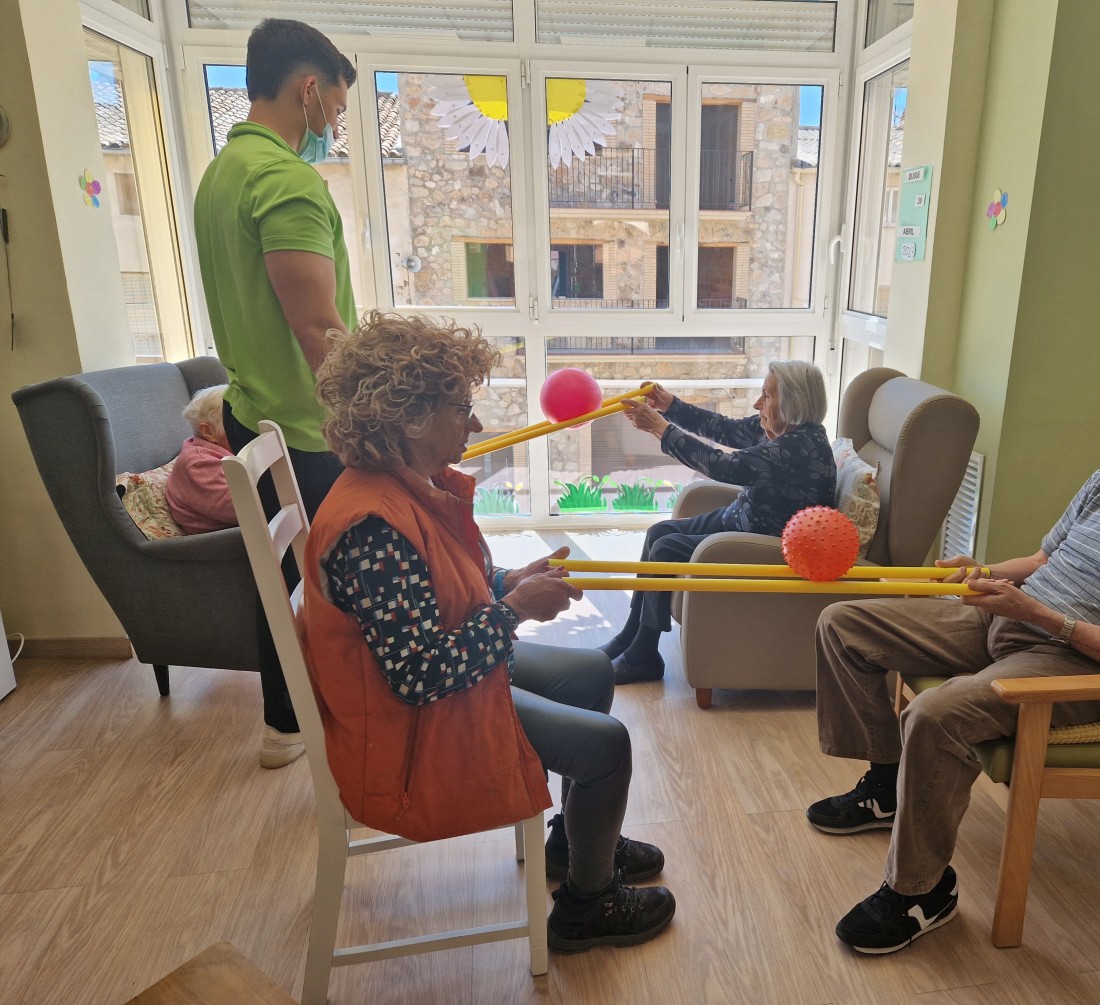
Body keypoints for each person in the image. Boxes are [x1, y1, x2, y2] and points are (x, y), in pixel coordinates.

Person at [302, 310, 676, 953]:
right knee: (608, 747)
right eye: (462, 409)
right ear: (411, 418)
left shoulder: (400, 489)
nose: (474, 425)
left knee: (591, 671)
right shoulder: (374, 529)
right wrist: (514, 610)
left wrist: (507, 581)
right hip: (410, 731)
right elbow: (418, 675)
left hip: (428, 694)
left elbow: (438, 591)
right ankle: (588, 907)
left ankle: (575, 844)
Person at [807, 469, 1100, 955]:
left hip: (1071, 661)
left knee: (935, 715)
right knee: (842, 624)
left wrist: (1042, 616)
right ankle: (886, 788)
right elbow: (1042, 560)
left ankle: (921, 891)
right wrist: (985, 572)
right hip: (1009, 619)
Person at [193, 18, 358, 767]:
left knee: (281, 572)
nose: (335, 127)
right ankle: (358, 725)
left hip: (251, 409)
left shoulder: (222, 175)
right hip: (306, 424)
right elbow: (318, 326)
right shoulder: (285, 179)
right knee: (348, 572)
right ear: (309, 90)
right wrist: (377, 417)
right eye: (338, 109)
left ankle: (285, 721)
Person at [600, 361, 836, 684]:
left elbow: (721, 466)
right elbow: (724, 429)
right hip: (742, 518)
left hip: (759, 541)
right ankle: (630, 635)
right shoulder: (786, 428)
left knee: (666, 549)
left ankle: (643, 656)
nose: (758, 404)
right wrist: (670, 406)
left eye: (767, 396)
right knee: (658, 532)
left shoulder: (799, 448)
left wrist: (660, 428)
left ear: (794, 402)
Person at [165, 384, 238, 536]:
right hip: (219, 534)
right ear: (208, 431)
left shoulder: (222, 448)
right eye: (238, 424)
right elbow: (238, 508)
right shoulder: (199, 463)